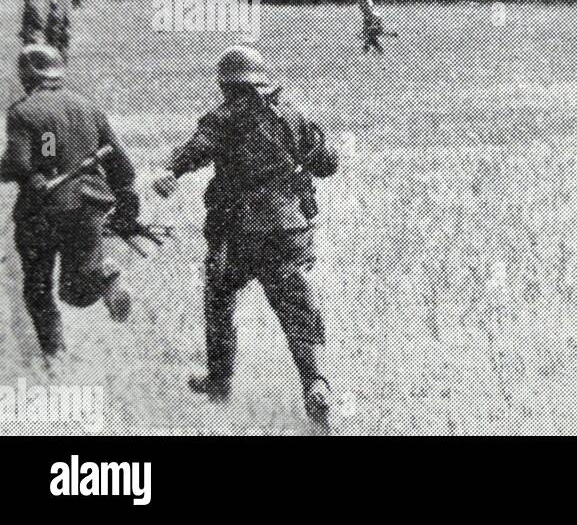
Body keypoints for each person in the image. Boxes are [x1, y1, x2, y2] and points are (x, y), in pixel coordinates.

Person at [153, 45, 340, 434]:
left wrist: (171, 170)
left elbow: (195, 149)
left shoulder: (224, 118)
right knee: (297, 309)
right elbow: (328, 164)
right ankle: (316, 382)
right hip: (290, 232)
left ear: (226, 85)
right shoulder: (293, 113)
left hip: (240, 235)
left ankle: (219, 381)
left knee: (219, 298)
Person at [0, 44, 137, 367]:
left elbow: (21, 163)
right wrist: (128, 203)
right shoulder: (87, 106)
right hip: (87, 208)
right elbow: (122, 166)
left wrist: (20, 170)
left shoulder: (24, 111)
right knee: (76, 290)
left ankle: (55, 355)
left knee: (39, 287)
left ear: (27, 73)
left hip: (42, 213)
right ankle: (104, 276)